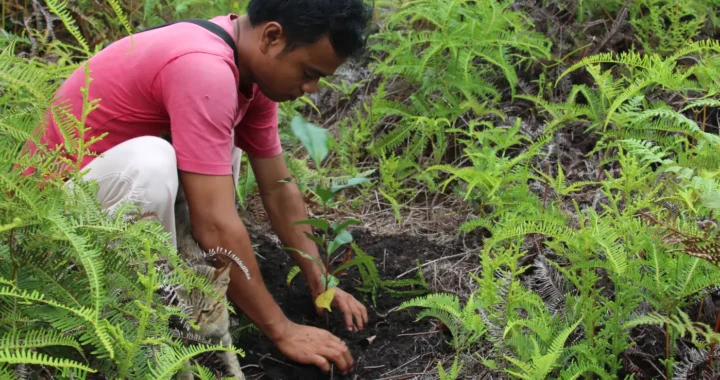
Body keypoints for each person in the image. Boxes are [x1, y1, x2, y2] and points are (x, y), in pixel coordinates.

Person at [25, 0, 373, 375]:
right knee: (153, 162)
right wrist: (282, 329)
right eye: (308, 71)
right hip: (50, 234)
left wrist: (319, 278)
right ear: (272, 37)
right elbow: (216, 224)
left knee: (219, 153)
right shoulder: (203, 66)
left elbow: (278, 188)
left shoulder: (246, 70)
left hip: (102, 209)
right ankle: (142, 324)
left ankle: (180, 283)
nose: (310, 87)